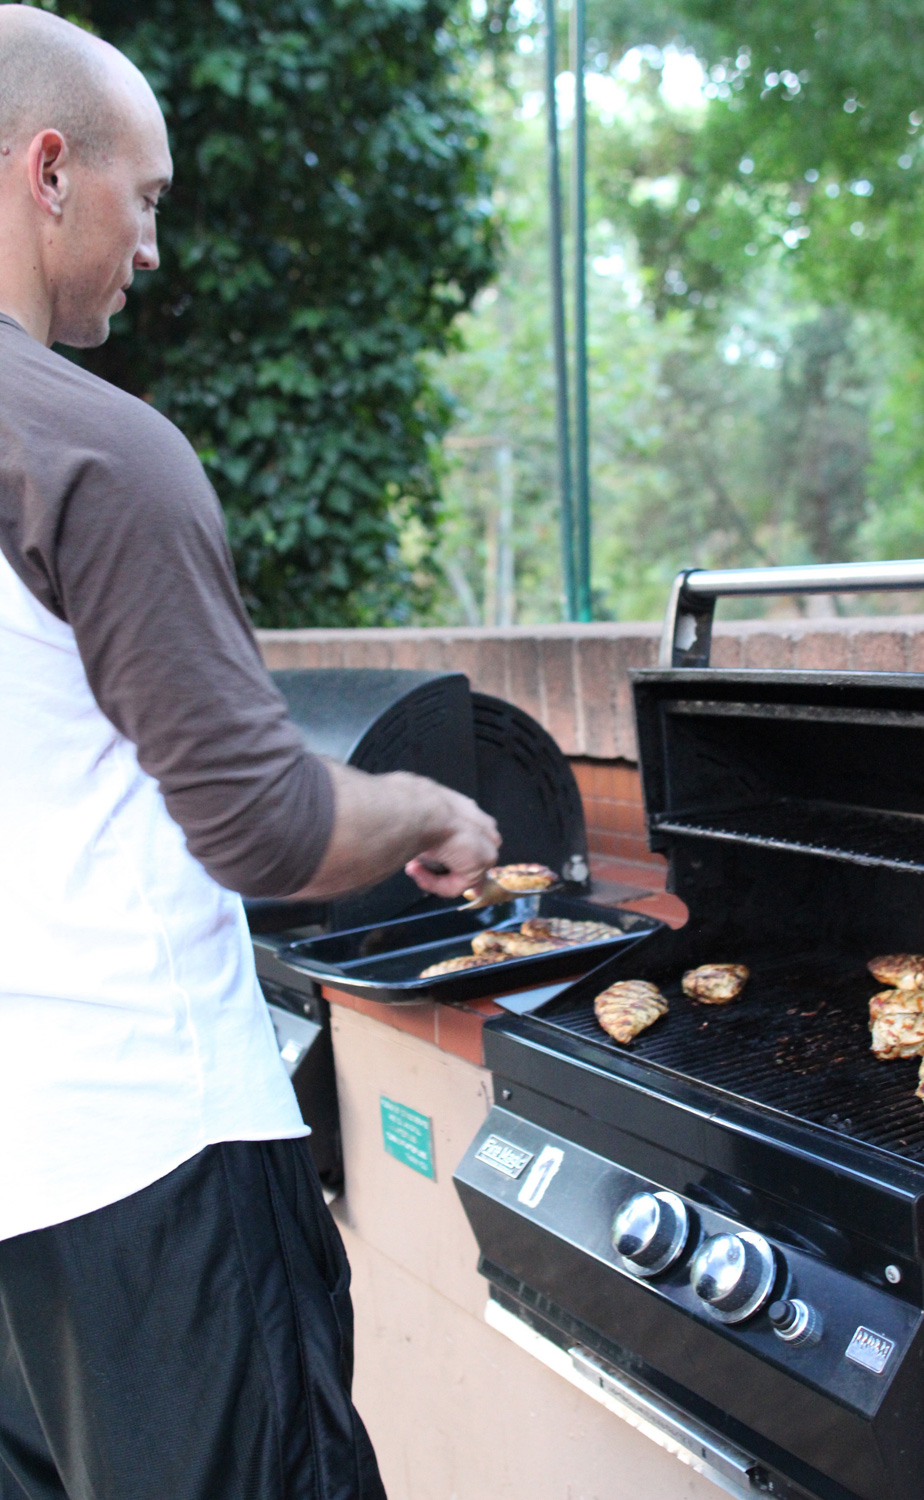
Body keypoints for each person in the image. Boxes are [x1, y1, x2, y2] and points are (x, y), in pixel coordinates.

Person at [0, 8, 500, 1499]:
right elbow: (265, 826)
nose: (151, 248)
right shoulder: (95, 449)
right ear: (47, 172)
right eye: (144, 200)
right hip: (159, 1171)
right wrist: (428, 805)